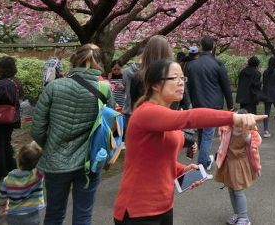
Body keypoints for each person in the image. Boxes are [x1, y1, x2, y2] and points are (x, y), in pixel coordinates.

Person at [113, 59, 265, 225]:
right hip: (137, 210)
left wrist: (182, 169)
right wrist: (234, 117)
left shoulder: (165, 115)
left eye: (182, 78)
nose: (181, 83)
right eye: (175, 78)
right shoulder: (147, 112)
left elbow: (158, 158)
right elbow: (190, 118)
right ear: (156, 85)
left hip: (164, 206)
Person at [32, 43, 115, 225]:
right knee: (83, 215)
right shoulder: (105, 89)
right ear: (99, 63)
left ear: (74, 60)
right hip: (90, 161)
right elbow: (109, 127)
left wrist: (50, 145)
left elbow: (37, 128)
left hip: (55, 161)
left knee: (54, 214)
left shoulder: (54, 87)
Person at [185, 36, 234, 172]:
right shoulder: (217, 64)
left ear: (201, 46)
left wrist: (189, 102)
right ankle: (202, 164)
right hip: (213, 105)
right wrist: (230, 105)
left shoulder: (191, 65)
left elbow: (189, 87)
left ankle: (205, 160)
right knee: (207, 135)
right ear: (213, 47)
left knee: (202, 133)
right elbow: (226, 86)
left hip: (197, 104)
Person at [214, 108, 262, 225]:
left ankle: (244, 217)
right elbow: (222, 132)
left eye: (242, 124)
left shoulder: (248, 133)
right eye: (237, 123)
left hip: (239, 164)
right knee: (231, 189)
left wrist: (246, 133)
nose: (239, 127)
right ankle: (237, 214)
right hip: (229, 163)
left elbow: (253, 142)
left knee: (238, 190)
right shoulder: (228, 128)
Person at [0, 56, 22, 182]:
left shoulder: (0, 84)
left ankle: (0, 173)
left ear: (2, 69)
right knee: (6, 143)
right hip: (12, 117)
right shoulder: (16, 81)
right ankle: (11, 168)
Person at [0, 141, 45, 225]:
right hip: (32, 215)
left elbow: (2, 196)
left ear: (19, 158)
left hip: (13, 216)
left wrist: (3, 207)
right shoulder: (37, 175)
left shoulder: (8, 178)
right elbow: (46, 162)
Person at [130, 35, 174, 111]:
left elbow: (134, 101)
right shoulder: (174, 77)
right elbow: (185, 101)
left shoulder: (138, 76)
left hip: (145, 117)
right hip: (172, 117)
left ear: (147, 53)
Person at [121, 47, 143, 138]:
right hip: (141, 107)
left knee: (128, 137)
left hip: (128, 106)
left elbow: (125, 87)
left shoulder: (126, 71)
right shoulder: (149, 71)